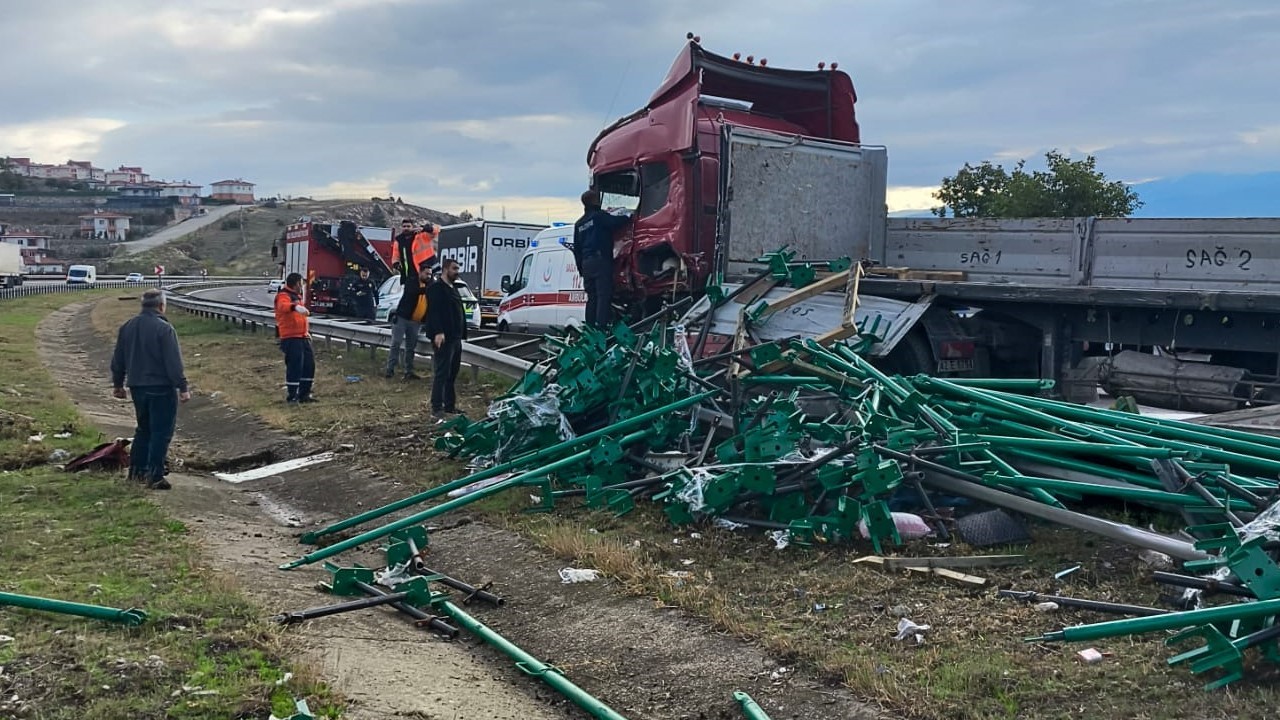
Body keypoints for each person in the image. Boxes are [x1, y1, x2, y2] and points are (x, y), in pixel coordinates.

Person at [110, 288, 191, 490]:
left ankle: (136, 472)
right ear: (161, 306)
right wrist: (182, 386)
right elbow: (173, 363)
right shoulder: (165, 329)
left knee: (143, 430)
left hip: (137, 387)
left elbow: (118, 359)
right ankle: (155, 476)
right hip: (161, 387)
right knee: (161, 433)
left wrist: (118, 384)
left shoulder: (127, 326)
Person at [572, 189, 632, 329]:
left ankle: (590, 328)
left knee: (592, 297)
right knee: (603, 295)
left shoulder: (579, 224)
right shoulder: (599, 217)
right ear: (595, 201)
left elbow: (577, 249)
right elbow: (615, 222)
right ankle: (601, 328)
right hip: (600, 260)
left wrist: (581, 269)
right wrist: (629, 216)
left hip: (586, 263)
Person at [425, 257, 467, 418]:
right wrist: (438, 332)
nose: (457, 272)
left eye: (458, 269)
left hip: (456, 337)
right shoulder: (436, 288)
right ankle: (437, 407)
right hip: (444, 337)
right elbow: (433, 312)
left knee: (452, 373)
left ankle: (450, 405)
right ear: (445, 269)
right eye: (454, 268)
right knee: (442, 372)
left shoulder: (453, 288)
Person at [273, 272, 316, 404]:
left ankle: (304, 394)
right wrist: (295, 307)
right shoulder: (283, 295)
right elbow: (283, 306)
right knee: (295, 366)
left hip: (302, 336)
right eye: (301, 283)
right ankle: (292, 396)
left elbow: (299, 318)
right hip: (291, 337)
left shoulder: (297, 296)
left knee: (308, 365)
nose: (302, 286)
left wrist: (306, 332)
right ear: (297, 283)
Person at [386, 264, 431, 380]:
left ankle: (408, 371)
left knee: (411, 347)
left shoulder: (429, 285)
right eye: (426, 274)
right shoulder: (412, 282)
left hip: (416, 321)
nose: (428, 276)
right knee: (396, 343)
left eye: (430, 274)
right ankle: (390, 369)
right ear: (420, 272)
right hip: (402, 318)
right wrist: (429, 288)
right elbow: (414, 291)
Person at [391, 218, 438, 284]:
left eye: (408, 226)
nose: (406, 228)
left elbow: (436, 231)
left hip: (425, 273)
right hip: (408, 275)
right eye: (404, 226)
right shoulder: (399, 240)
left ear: (412, 227)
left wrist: (426, 228)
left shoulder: (421, 235)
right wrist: (396, 263)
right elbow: (395, 255)